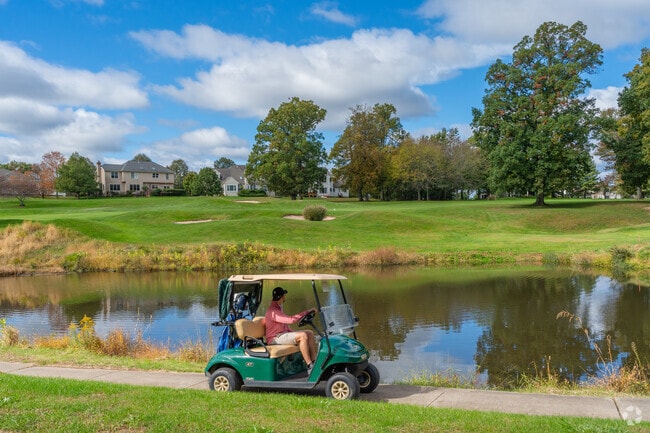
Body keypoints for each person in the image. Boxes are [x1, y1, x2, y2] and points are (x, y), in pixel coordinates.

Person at [265, 286, 317, 372]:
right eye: (284, 295)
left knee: (309, 333)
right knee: (303, 336)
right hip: (274, 338)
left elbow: (284, 326)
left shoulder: (278, 308)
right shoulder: (273, 312)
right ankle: (309, 365)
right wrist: (307, 312)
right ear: (281, 297)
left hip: (281, 335)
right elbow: (291, 320)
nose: (285, 297)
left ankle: (314, 361)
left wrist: (294, 333)